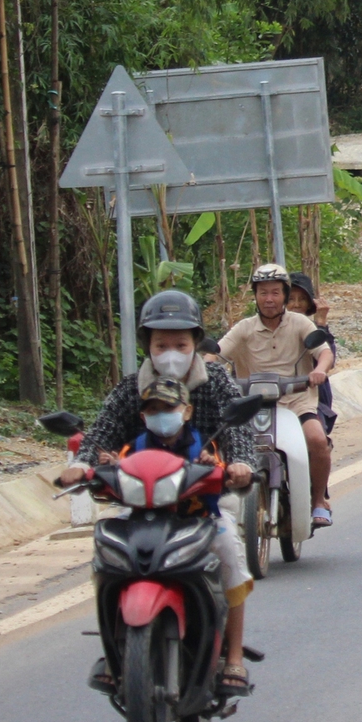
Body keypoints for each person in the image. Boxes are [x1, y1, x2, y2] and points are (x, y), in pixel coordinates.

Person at [68, 294, 257, 694]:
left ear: (195, 345)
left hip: (202, 503)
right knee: (106, 558)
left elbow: (238, 433)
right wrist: (82, 464)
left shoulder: (217, 383)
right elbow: (100, 433)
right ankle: (113, 646)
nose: (170, 353)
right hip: (140, 504)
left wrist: (240, 466)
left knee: (230, 552)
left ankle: (234, 658)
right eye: (161, 345)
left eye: (180, 345)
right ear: (148, 347)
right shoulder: (129, 389)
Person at [218, 263, 337, 528]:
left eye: (275, 292)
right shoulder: (244, 328)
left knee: (317, 440)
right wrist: (202, 366)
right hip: (255, 405)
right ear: (255, 296)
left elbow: (324, 351)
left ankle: (318, 501)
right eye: (262, 293)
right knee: (220, 445)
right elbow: (217, 352)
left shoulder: (300, 323)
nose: (269, 299)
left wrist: (319, 369)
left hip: (297, 401)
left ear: (284, 295)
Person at [286, 272, 337, 439]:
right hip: (278, 397)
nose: (296, 304)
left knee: (316, 439)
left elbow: (327, 357)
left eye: (302, 299)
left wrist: (321, 324)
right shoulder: (269, 330)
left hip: (310, 400)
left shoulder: (315, 330)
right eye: (291, 299)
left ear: (309, 304)